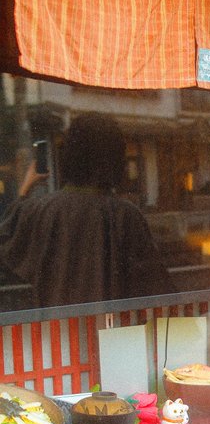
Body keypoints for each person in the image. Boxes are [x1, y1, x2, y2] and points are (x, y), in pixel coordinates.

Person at [0, 113, 170, 309]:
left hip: (57, 334)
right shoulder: (125, 215)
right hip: (112, 333)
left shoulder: (38, 210)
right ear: (115, 160)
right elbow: (158, 289)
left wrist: (26, 186)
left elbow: (7, 237)